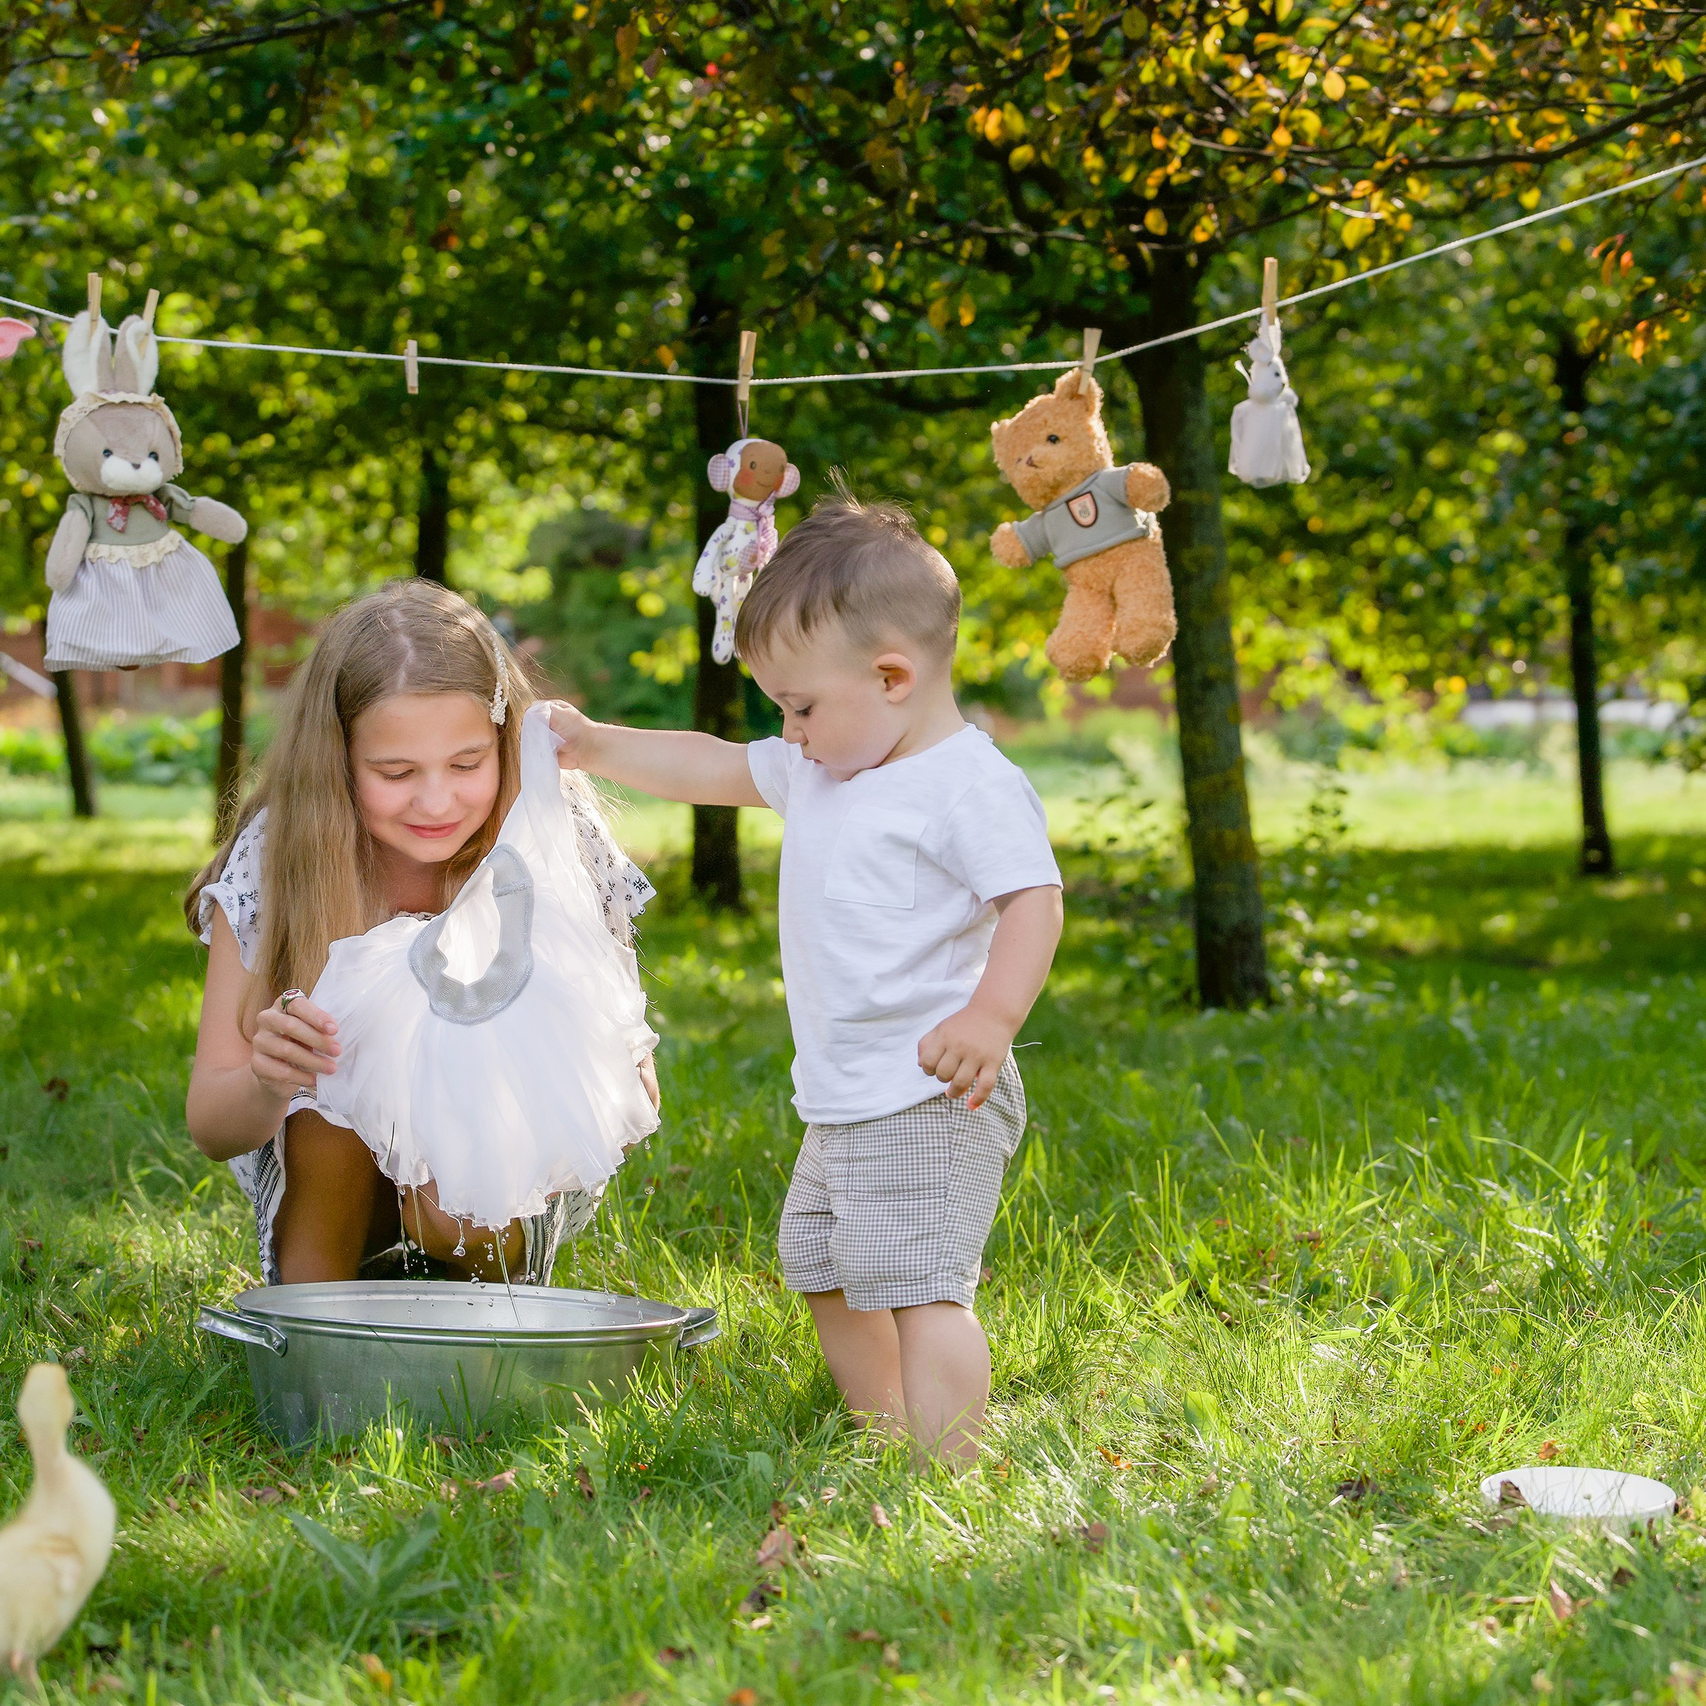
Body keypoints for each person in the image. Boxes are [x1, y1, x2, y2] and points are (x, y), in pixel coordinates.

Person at [550, 491, 1063, 1467]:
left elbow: (1034, 900)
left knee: (920, 1287)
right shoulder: (825, 766)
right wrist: (594, 745)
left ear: (892, 676)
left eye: (800, 706)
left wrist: (992, 1016)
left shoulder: (967, 784)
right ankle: (885, 1432)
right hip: (843, 1096)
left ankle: (948, 1466)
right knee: (823, 1266)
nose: (788, 731)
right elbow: (709, 766)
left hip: (928, 1091)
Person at [184, 579, 657, 1284]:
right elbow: (211, 1123)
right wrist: (266, 1080)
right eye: (396, 771)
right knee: (327, 1112)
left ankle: (486, 1323)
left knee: (454, 1165)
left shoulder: (552, 833)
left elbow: (634, 1080)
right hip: (328, 1166)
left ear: (503, 740)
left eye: (467, 764)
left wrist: (589, 1069)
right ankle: (316, 1330)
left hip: (506, 1169)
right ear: (336, 759)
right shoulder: (278, 856)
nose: (436, 802)